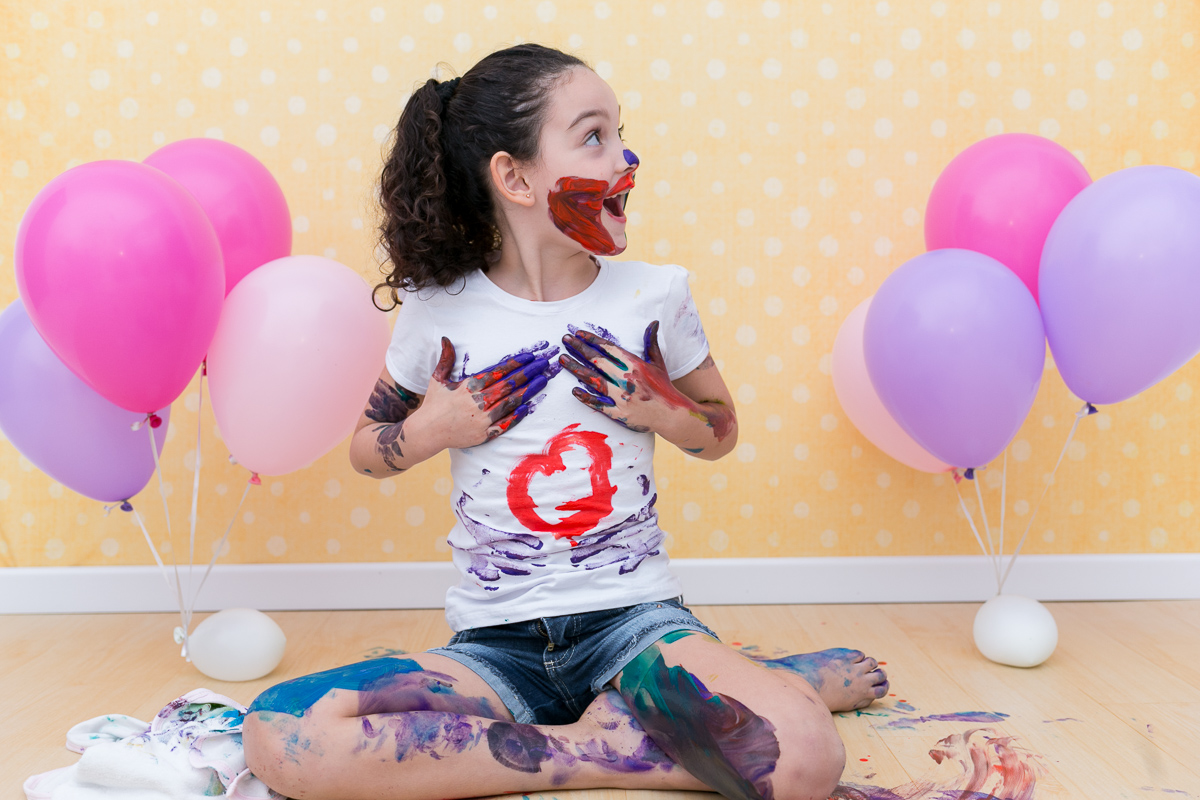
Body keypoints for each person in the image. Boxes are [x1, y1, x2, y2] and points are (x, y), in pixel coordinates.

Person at [243, 43, 887, 800]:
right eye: (594, 137)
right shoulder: (438, 310)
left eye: (620, 132)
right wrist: (432, 428)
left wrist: (661, 405)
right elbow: (364, 451)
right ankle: (604, 744)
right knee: (284, 730)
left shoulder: (655, 295)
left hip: (635, 629)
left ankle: (678, 703)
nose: (626, 157)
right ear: (514, 177)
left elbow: (721, 430)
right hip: (494, 648)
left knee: (808, 757)